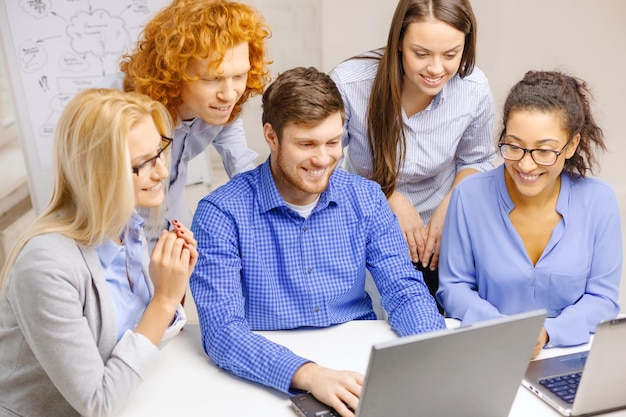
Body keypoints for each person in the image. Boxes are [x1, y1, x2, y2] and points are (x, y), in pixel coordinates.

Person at [189, 67, 445, 417]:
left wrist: (432, 351)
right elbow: (222, 332)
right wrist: (310, 375)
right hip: (266, 378)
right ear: (272, 137)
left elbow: (404, 290)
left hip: (358, 366)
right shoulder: (220, 213)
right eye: (306, 144)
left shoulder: (366, 198)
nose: (323, 159)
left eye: (332, 142)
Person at [0, 88, 198, 417]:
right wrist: (165, 299)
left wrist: (169, 283)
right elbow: (98, 403)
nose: (162, 171)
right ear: (100, 175)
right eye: (142, 164)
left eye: (160, 151)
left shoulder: (128, 230)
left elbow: (135, 345)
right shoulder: (45, 265)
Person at [437, 70, 622, 358]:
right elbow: (454, 288)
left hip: (569, 355)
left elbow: (603, 299)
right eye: (514, 146)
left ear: (571, 145)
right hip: (488, 350)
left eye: (544, 151)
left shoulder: (599, 201)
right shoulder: (469, 196)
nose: (525, 165)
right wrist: (503, 330)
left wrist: (549, 333)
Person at [329, 0, 496, 306]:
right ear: (398, 43)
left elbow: (477, 159)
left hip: (441, 236)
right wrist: (387, 197)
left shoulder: (473, 89)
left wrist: (451, 208)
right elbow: (325, 166)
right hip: (365, 227)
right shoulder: (350, 84)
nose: (435, 69)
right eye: (421, 54)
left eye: (451, 55)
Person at [102, 0, 271, 242]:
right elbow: (91, 196)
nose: (230, 93)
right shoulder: (117, 107)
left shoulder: (221, 105)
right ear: (174, 70)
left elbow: (241, 163)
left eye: (239, 76)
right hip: (117, 231)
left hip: (173, 223)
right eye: (213, 78)